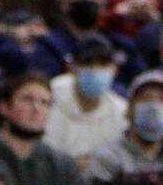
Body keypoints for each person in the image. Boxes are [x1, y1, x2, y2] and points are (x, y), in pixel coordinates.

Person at [45, 34, 127, 170]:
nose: (95, 70)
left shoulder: (121, 110)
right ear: (72, 67)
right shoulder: (49, 97)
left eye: (103, 64)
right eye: (87, 63)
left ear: (115, 70)